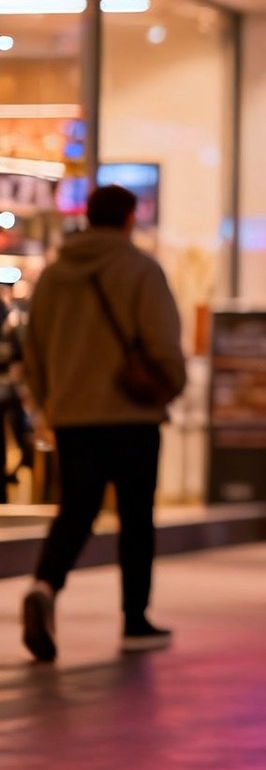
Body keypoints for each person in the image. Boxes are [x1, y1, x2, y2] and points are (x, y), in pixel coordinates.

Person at [18, 183, 186, 662]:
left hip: (74, 415)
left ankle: (45, 585)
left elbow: (34, 352)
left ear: (87, 217)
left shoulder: (53, 276)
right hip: (132, 415)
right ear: (130, 218)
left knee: (77, 509)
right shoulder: (140, 269)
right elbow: (163, 342)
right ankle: (135, 619)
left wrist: (52, 404)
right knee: (136, 516)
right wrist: (169, 387)